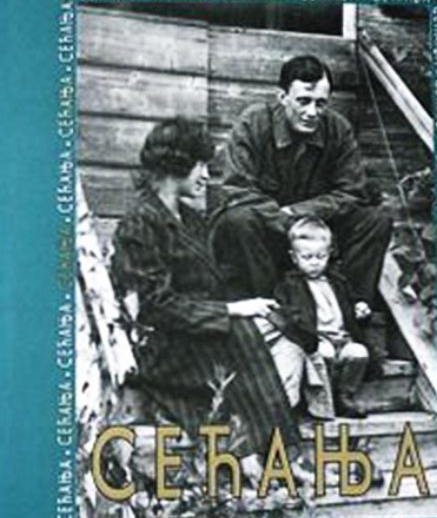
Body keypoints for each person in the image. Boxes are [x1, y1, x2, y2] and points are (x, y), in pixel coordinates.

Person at [110, 117, 305, 484]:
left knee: (260, 329)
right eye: (201, 165)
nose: (206, 175)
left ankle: (271, 455)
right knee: (240, 333)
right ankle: (272, 457)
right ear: (177, 165)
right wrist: (230, 310)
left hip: (195, 334)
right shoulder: (140, 223)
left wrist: (248, 308)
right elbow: (154, 306)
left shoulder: (190, 218)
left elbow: (210, 286)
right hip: (162, 345)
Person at [211, 54, 392, 305]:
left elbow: (352, 192)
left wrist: (300, 213)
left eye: (321, 103)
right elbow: (237, 189)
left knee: (375, 220)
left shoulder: (338, 129)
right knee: (238, 220)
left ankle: (347, 308)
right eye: (303, 101)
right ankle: (269, 310)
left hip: (316, 233)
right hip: (265, 232)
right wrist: (284, 219)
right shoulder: (253, 123)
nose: (312, 112)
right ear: (282, 96)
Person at [271, 217, 371, 418]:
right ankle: (322, 400)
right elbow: (287, 314)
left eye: (321, 256)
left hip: (343, 338)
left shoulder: (338, 281)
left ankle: (344, 395)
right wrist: (305, 332)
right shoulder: (289, 284)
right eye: (307, 257)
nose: (315, 262)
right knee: (325, 353)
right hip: (316, 339)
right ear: (294, 257)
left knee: (359, 353)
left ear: (329, 253)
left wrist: (360, 308)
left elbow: (351, 301)